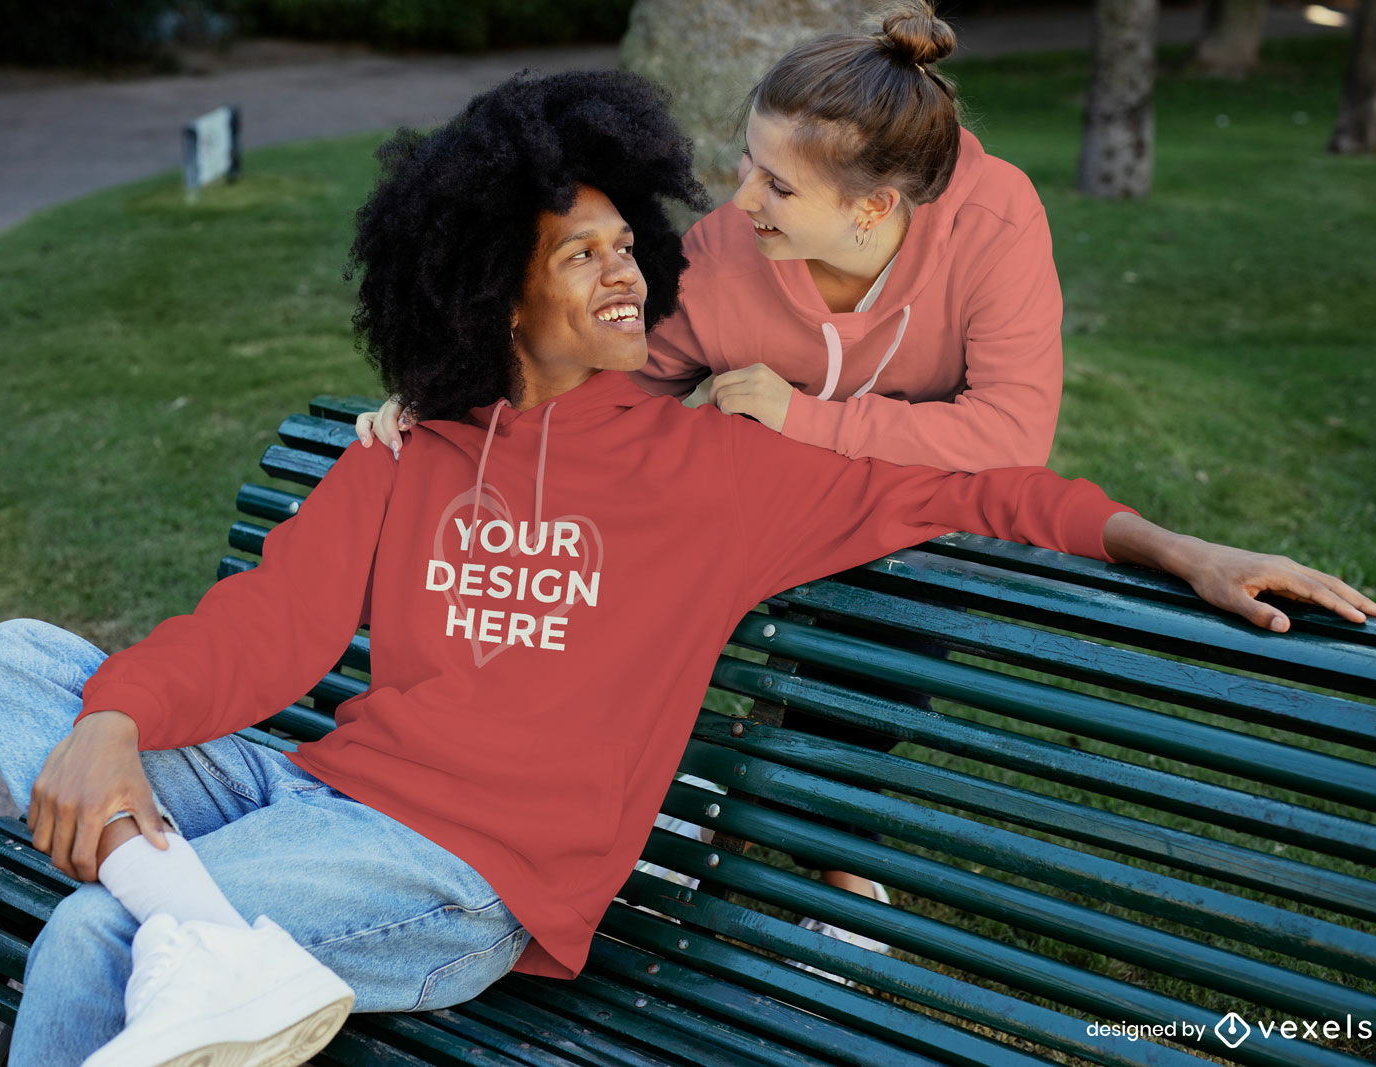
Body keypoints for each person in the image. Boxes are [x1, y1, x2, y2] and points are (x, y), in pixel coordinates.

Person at [0, 70, 1376, 1067]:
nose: (629, 271)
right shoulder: (418, 445)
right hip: (331, 788)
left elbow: (995, 484)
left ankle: (183, 929)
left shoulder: (718, 465)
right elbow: (270, 625)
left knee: (93, 934)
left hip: (468, 872)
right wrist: (116, 717)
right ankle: (212, 938)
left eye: (626, 243)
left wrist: (1188, 547)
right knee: (10, 658)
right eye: (580, 257)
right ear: (489, 289)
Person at [357, 0, 1068, 952]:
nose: (741, 199)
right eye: (746, 161)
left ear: (871, 206)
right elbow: (617, 383)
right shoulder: (729, 252)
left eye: (777, 184)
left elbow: (1014, 434)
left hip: (910, 512)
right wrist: (457, 414)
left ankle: (829, 855)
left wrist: (802, 416)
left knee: (892, 600)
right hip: (759, 500)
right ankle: (634, 814)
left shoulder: (993, 217)